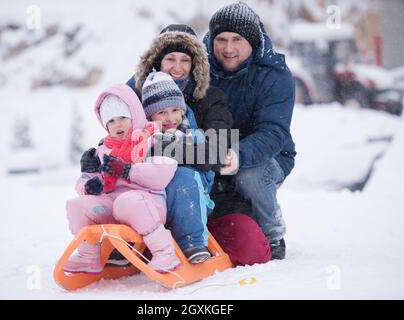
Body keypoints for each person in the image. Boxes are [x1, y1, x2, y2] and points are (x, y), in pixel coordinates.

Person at [127, 24, 237, 264]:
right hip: (146, 183)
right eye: (170, 59)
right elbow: (119, 138)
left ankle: (191, 242)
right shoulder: (134, 93)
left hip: (195, 187)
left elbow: (215, 152)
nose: (178, 68)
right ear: (157, 61)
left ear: (195, 63)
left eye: (185, 60)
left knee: (181, 177)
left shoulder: (210, 97)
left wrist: (152, 149)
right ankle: (121, 244)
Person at [204, 2, 297, 260]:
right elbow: (161, 73)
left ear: (252, 42)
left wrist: (238, 154)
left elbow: (273, 132)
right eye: (221, 39)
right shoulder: (199, 65)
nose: (228, 48)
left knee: (248, 176)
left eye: (237, 39)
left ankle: (272, 232)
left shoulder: (274, 75)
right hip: (214, 149)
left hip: (269, 155)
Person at [64, 84, 181, 274]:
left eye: (123, 118)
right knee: (77, 205)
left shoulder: (154, 139)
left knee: (127, 202)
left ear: (134, 117)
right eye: (111, 120)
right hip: (112, 205)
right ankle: (88, 256)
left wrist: (127, 170)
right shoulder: (102, 150)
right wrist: (89, 186)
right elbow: (87, 178)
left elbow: (162, 173)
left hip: (147, 202)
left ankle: (164, 252)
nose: (117, 125)